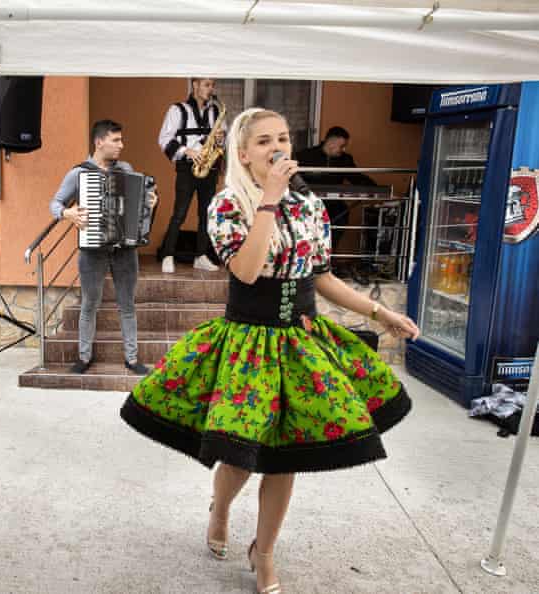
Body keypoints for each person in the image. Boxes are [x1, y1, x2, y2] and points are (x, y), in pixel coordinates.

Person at [120, 109, 419, 594]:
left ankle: (264, 552)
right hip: (247, 344)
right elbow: (246, 271)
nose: (277, 148)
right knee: (240, 455)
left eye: (283, 138)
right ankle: (219, 509)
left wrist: (378, 314)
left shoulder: (311, 207)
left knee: (285, 457)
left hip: (299, 340)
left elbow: (321, 277)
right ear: (243, 154)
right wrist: (270, 201)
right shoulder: (226, 205)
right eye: (264, 141)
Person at [50, 119, 157, 376]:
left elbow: (136, 206)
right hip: (92, 250)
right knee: (90, 303)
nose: (122, 144)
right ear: (99, 142)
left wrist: (149, 203)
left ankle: (132, 359)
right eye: (116, 140)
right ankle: (84, 357)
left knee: (127, 304)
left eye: (121, 140)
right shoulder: (79, 173)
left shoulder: (126, 168)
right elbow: (54, 203)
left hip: (124, 249)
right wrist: (68, 213)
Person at [157, 78, 226, 274]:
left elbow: (221, 142)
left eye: (212, 85)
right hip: (187, 167)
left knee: (206, 214)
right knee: (180, 212)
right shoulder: (177, 109)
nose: (210, 89)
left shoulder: (216, 112)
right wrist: (187, 151)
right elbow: (163, 139)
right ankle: (167, 255)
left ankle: (201, 256)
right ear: (195, 85)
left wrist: (221, 140)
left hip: (209, 167)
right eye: (207, 84)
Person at [294, 126, 376, 251]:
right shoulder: (305, 155)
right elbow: (294, 178)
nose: (343, 149)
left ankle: (329, 256)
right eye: (342, 146)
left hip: (334, 206)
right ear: (331, 142)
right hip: (309, 204)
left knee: (341, 217)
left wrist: (376, 189)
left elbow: (356, 177)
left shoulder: (345, 159)